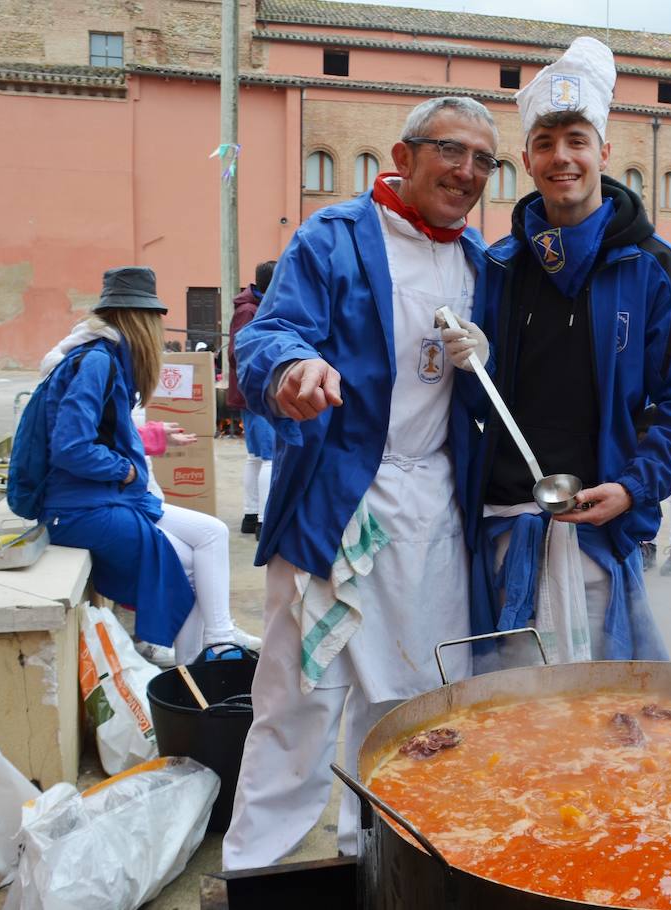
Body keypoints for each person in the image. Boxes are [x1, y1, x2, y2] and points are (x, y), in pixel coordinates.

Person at [222, 96, 499, 868]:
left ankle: (382, 863)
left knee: (411, 698)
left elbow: (488, 393)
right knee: (297, 696)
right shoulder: (335, 238)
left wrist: (484, 361)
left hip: (432, 509)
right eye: (452, 151)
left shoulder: (479, 261)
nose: (468, 172)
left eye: (484, 161)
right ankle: (258, 867)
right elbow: (268, 334)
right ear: (403, 156)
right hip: (336, 496)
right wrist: (292, 369)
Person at [459, 37, 671, 668]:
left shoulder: (656, 269)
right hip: (503, 523)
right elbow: (473, 399)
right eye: (546, 143)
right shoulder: (499, 265)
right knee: (506, 710)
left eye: (576, 140)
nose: (562, 157)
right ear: (526, 158)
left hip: (597, 530)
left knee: (597, 711)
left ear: (603, 151)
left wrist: (634, 487)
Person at [38, 267, 261, 665]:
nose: (159, 331)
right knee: (186, 572)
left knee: (209, 535)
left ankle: (215, 645)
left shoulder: (104, 359)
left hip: (102, 500)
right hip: (83, 508)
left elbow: (103, 434)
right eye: (155, 320)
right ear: (138, 319)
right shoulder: (96, 362)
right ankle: (196, 670)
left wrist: (137, 454)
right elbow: (71, 448)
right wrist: (124, 471)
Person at [227, 259, 278, 537]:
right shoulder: (249, 310)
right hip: (256, 391)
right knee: (268, 457)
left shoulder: (251, 307)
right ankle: (262, 520)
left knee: (257, 457)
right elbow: (239, 353)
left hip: (251, 390)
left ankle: (251, 514)